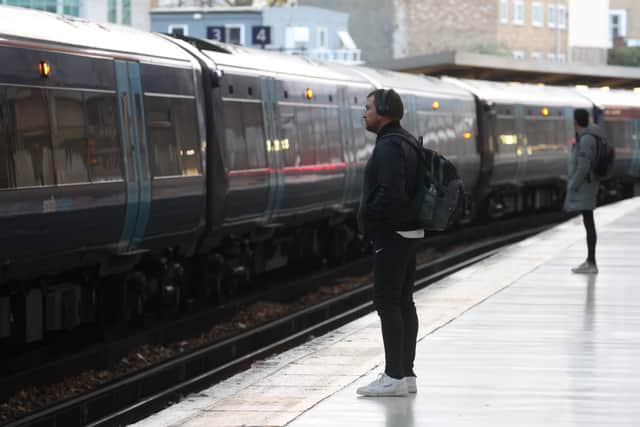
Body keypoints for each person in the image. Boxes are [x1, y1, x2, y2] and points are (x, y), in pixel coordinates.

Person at [356, 89, 423, 397]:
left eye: (368, 107)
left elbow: (390, 192)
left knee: (387, 302)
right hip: (410, 230)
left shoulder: (387, 147)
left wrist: (368, 214)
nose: (364, 112)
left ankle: (393, 374)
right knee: (403, 301)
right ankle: (406, 373)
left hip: (391, 233)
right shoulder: (408, 140)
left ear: (382, 111)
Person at [564, 108, 602, 274]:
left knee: (589, 224)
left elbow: (583, 166)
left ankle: (591, 262)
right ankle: (590, 261)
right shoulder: (587, 136)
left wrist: (573, 186)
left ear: (575, 121)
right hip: (588, 184)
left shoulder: (586, 139)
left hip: (586, 186)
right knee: (588, 223)